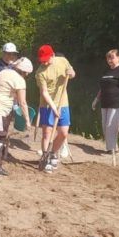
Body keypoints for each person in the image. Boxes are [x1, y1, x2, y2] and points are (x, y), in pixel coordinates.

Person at [0, 57, 33, 177]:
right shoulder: (19, 80)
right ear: (26, 72)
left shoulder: (2, 72)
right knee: (0, 139)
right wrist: (27, 120)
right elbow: (22, 102)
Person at [35, 45, 76, 174]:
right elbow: (44, 93)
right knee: (47, 133)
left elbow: (73, 73)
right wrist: (53, 108)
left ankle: (53, 153)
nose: (44, 62)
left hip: (63, 103)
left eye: (46, 59)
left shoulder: (62, 61)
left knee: (63, 133)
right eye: (42, 60)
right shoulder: (40, 72)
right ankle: (45, 157)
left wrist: (71, 73)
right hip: (47, 105)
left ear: (52, 55)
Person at [92, 49, 119, 154]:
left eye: (112, 57)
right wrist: (96, 99)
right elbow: (102, 88)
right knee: (105, 126)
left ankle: (112, 149)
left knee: (111, 125)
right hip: (105, 102)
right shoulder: (106, 71)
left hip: (117, 103)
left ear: (118, 58)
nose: (110, 60)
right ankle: (113, 147)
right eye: (108, 58)